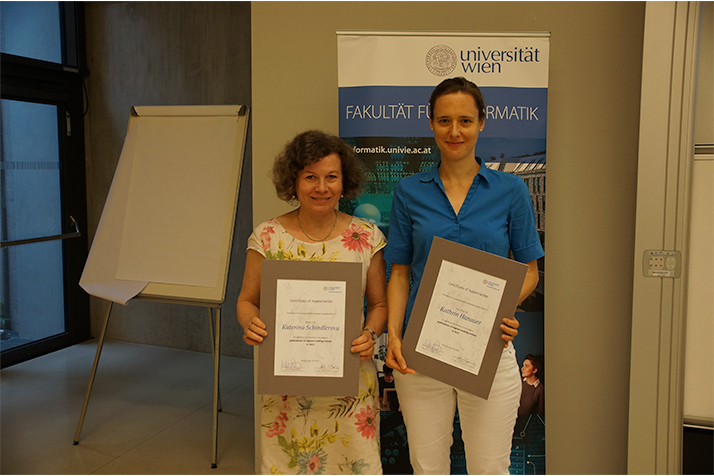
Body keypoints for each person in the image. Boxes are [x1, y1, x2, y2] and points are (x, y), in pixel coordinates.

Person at [384, 77, 545, 475]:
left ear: (482, 123)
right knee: (427, 466)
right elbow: (400, 272)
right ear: (430, 123)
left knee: (490, 468)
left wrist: (500, 310)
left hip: (489, 347)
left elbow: (530, 272)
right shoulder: (408, 192)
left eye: (465, 121)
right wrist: (394, 336)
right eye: (444, 121)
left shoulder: (511, 191)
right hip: (421, 353)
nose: (454, 132)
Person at [237, 130, 387, 475]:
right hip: (287, 395)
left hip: (351, 390)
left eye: (331, 177)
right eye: (311, 177)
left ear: (343, 180)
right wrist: (251, 323)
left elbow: (379, 306)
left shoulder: (367, 237)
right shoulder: (267, 237)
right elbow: (247, 301)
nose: (322, 188)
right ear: (294, 180)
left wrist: (370, 333)